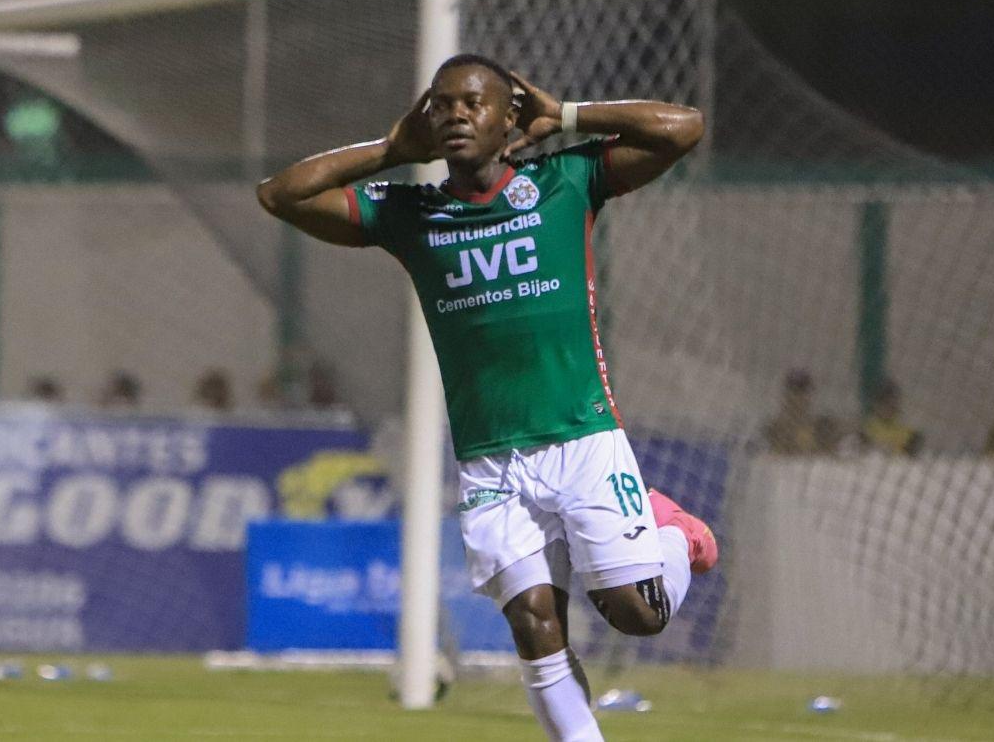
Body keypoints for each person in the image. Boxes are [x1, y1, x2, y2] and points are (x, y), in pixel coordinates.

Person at [257, 53, 716, 741]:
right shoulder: (412, 212)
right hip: (489, 459)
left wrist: (567, 115)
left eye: (473, 102)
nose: (455, 114)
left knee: (637, 614)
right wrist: (392, 150)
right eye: (441, 104)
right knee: (534, 624)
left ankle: (676, 532)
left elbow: (683, 127)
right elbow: (280, 195)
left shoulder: (565, 181)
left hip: (582, 438)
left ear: (509, 119)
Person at [763, 368, 838, 455]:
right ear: (786, 396)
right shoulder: (772, 429)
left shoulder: (822, 427)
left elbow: (831, 456)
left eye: (803, 392)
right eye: (794, 392)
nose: (799, 398)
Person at [858, 378, 922, 456]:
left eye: (892, 404)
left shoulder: (907, 431)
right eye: (885, 404)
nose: (889, 409)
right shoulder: (867, 430)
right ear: (876, 405)